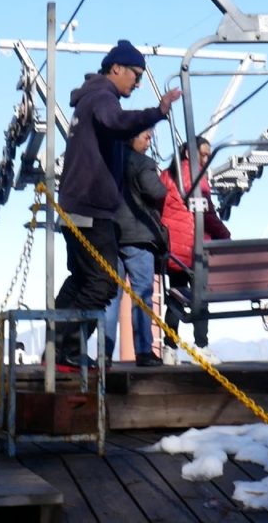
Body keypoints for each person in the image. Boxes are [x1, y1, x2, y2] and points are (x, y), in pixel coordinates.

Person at [53, 40, 181, 368]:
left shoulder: (89, 99)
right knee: (104, 280)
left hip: (78, 205)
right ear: (116, 69)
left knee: (82, 278)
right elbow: (116, 122)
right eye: (136, 75)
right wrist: (157, 112)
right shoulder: (102, 98)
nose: (137, 83)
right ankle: (66, 348)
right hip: (90, 207)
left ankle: (58, 347)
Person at [159, 137, 231, 365]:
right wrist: (225, 236)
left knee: (175, 297)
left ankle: (169, 348)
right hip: (194, 247)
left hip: (173, 248)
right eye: (204, 154)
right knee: (201, 297)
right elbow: (206, 214)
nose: (207, 158)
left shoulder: (167, 175)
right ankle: (201, 345)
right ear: (190, 154)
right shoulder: (197, 176)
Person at [103, 128, 168, 367]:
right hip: (138, 236)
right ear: (133, 137)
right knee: (142, 293)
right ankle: (143, 350)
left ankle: (104, 352)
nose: (149, 142)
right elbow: (157, 191)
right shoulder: (142, 163)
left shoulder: (107, 160)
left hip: (111, 234)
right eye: (147, 137)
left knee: (111, 296)